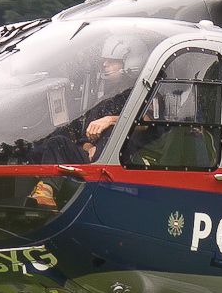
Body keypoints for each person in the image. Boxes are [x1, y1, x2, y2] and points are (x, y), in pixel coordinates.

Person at [29, 35, 148, 207]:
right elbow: (85, 138)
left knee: (68, 143)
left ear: (130, 63)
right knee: (50, 143)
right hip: (98, 162)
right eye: (104, 60)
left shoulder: (141, 93)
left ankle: (49, 191)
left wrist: (111, 120)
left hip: (125, 163)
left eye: (112, 61)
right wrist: (90, 147)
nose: (105, 65)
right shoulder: (105, 99)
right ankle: (43, 190)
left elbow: (148, 122)